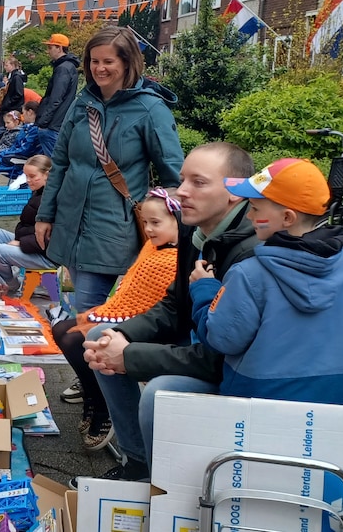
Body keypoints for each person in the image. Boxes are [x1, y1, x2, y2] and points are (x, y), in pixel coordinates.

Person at [81, 142, 257, 483]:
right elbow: (175, 304)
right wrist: (124, 335)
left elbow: (222, 357)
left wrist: (130, 357)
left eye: (199, 182)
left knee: (159, 391)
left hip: (232, 369)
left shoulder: (250, 254)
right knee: (99, 338)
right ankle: (138, 462)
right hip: (197, 343)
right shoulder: (196, 231)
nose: (183, 192)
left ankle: (159, 482)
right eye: (183, 180)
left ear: (235, 192)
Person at [189, 158, 343, 406]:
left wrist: (204, 289)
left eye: (255, 208)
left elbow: (222, 339)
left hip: (255, 412)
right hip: (333, 416)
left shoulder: (249, 274)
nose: (250, 215)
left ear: (287, 217)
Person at [35, 26, 183, 324]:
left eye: (108, 61)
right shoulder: (83, 103)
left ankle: (95, 366)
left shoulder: (149, 108)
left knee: (88, 312)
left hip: (113, 226)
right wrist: (45, 214)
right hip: (70, 220)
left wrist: (166, 224)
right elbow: (60, 162)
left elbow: (173, 177)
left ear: (127, 63)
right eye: (94, 61)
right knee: (84, 307)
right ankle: (94, 363)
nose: (99, 68)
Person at [55, 187, 181, 450]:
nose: (148, 229)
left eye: (156, 223)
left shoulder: (173, 259)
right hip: (132, 318)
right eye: (145, 222)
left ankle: (103, 409)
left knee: (80, 339)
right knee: (63, 332)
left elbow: (155, 307)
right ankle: (93, 396)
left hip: (151, 328)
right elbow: (130, 292)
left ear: (179, 221)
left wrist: (113, 320)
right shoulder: (153, 248)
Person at [0, 154, 56, 292]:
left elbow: (54, 237)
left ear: (47, 175)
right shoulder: (40, 192)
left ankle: (11, 284)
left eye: (32, 176)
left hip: (48, 255)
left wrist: (22, 243)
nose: (28, 180)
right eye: (26, 176)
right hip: (34, 243)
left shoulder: (53, 198)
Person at [34, 33, 81, 156]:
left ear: (59, 48)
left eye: (50, 47)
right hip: (58, 123)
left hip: (53, 125)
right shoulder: (69, 67)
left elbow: (55, 98)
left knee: (53, 164)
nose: (48, 51)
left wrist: (43, 122)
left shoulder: (63, 68)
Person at [0, 56, 26, 122]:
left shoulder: (16, 77)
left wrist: (7, 103)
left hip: (12, 108)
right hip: (11, 107)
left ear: (13, 65)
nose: (5, 67)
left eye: (6, 65)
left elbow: (18, 94)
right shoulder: (14, 77)